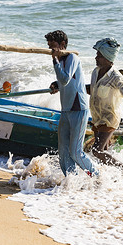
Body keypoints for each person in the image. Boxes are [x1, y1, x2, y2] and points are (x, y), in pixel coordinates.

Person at [46, 30, 97, 177]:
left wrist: (55, 61)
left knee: (75, 152)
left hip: (78, 109)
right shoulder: (60, 61)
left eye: (53, 46)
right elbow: (63, 82)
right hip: (66, 110)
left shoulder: (72, 58)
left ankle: (97, 176)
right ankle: (71, 181)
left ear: (62, 45)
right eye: (49, 47)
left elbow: (65, 79)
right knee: (63, 152)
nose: (51, 50)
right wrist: (55, 84)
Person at [87, 38, 123, 169]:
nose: (96, 57)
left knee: (96, 151)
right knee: (102, 153)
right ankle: (107, 178)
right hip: (97, 118)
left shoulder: (116, 77)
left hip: (109, 118)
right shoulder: (95, 72)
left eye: (99, 56)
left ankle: (121, 166)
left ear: (107, 58)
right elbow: (92, 88)